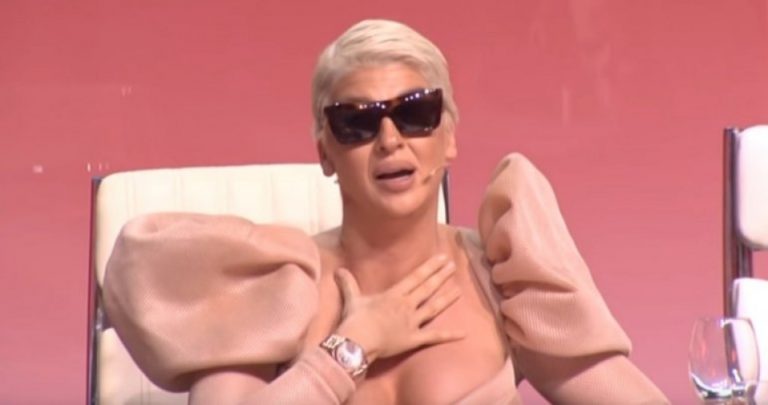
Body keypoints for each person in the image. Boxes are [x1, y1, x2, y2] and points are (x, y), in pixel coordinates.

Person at [103, 19, 669, 404]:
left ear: (449, 137)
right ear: (325, 152)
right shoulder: (275, 289)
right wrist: (351, 348)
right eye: (358, 123)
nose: (391, 140)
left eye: (416, 114)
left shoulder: (504, 281)